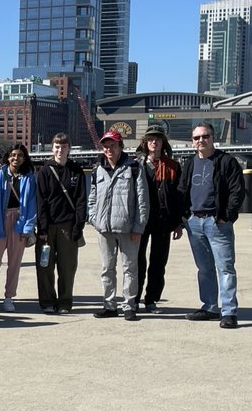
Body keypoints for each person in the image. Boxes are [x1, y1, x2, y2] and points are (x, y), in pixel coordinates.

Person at [178, 122, 244, 329]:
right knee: (204, 268)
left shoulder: (226, 161)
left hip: (217, 222)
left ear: (213, 137)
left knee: (225, 267)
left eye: (204, 136)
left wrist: (227, 216)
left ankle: (229, 311)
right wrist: (182, 217)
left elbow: (237, 191)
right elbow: (182, 190)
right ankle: (209, 307)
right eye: (197, 138)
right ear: (192, 141)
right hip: (194, 222)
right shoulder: (189, 163)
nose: (201, 141)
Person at [88, 130, 149, 322]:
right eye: (105, 146)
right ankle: (109, 304)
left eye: (112, 145)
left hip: (127, 228)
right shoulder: (98, 168)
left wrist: (139, 227)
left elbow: (142, 201)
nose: (108, 149)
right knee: (107, 268)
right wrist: (93, 218)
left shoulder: (134, 168)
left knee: (130, 268)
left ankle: (129, 306)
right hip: (104, 228)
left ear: (120, 146)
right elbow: (92, 196)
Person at [34, 133, 87, 314]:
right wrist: (42, 228)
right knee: (45, 266)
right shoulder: (44, 171)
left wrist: (78, 226)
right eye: (57, 147)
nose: (60, 150)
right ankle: (47, 301)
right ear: (52, 148)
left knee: (67, 267)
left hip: (68, 226)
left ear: (69, 149)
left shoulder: (76, 171)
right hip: (47, 228)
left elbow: (81, 201)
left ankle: (65, 301)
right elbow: (40, 201)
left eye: (63, 147)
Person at [0, 143, 37, 313]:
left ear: (24, 158)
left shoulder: (29, 177)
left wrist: (28, 228)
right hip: (0, 219)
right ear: (8, 156)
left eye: (20, 155)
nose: (16, 158)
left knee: (14, 263)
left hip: (19, 222)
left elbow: (32, 204)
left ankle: (9, 297)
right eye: (13, 155)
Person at [135, 124, 185, 314]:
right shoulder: (136, 165)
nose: (153, 142)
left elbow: (179, 196)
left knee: (158, 262)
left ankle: (151, 300)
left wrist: (179, 223)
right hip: (141, 220)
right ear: (145, 142)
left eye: (157, 138)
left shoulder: (173, 166)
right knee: (137, 261)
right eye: (150, 139)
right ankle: (134, 298)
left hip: (163, 221)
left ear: (163, 142)